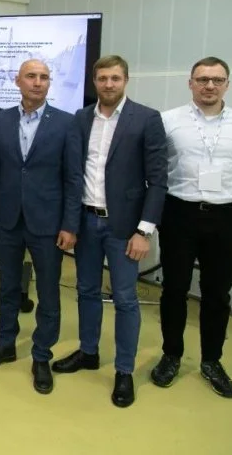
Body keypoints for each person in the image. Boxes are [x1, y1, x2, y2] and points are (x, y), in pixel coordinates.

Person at [52, 55, 167, 408]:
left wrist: (144, 231)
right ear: (94, 81)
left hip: (125, 227)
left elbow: (158, 180)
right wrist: (70, 223)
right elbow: (73, 174)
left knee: (125, 299)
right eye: (102, 78)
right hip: (86, 223)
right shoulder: (81, 118)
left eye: (115, 78)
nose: (108, 84)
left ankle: (124, 370)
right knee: (86, 290)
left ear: (125, 80)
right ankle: (88, 352)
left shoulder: (146, 118)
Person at [151, 56, 232, 398]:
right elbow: (157, 167)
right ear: (190, 83)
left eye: (217, 80)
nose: (209, 86)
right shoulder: (168, 121)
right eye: (202, 79)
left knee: (217, 294)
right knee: (174, 289)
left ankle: (212, 361)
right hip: (179, 213)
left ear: (227, 84)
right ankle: (171, 355)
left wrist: (217, 193)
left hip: (225, 216)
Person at [0, 59, 83, 397]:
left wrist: (70, 224)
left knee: (48, 292)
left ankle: (41, 355)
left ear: (49, 83)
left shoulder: (66, 123)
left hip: (48, 224)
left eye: (44, 77)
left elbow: (73, 178)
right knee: (8, 287)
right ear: (17, 81)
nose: (38, 82)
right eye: (31, 76)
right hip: (7, 220)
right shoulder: (1, 120)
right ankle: (6, 343)